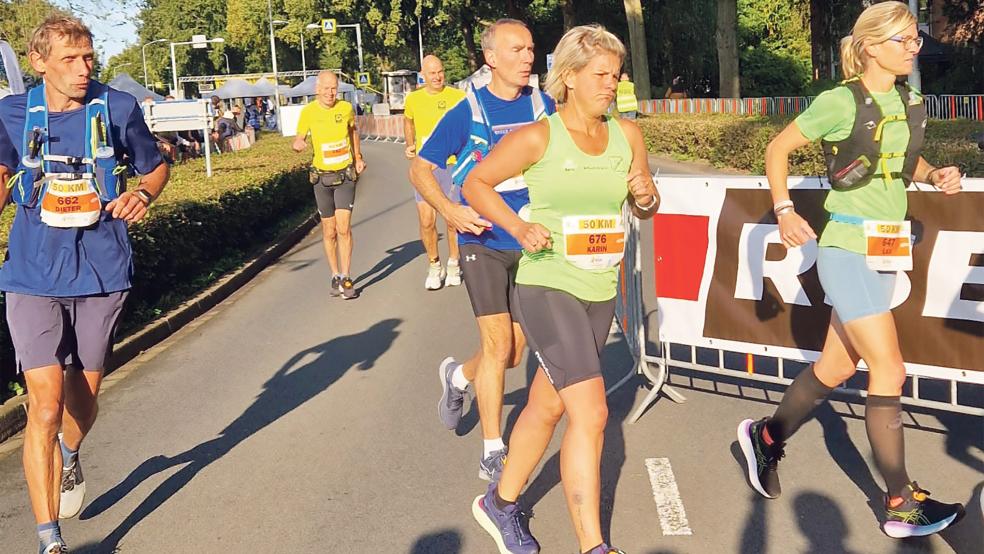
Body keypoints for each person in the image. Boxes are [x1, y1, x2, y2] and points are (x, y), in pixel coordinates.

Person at [736, 1, 965, 539]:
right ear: (870, 47)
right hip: (846, 251)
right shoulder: (839, 100)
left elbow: (906, 163)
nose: (915, 48)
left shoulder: (911, 99)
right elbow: (777, 148)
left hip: (885, 253)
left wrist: (936, 176)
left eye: (916, 39)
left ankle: (764, 437)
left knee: (837, 369)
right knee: (890, 370)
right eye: (905, 40)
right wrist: (786, 210)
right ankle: (900, 502)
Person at [463, 24, 657, 554]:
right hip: (548, 286)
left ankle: (499, 504)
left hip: (600, 291)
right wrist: (519, 227)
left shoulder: (628, 136)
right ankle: (594, 546)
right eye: (599, 75)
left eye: (615, 76)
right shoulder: (538, 136)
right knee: (591, 414)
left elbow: (645, 204)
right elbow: (475, 183)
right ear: (568, 78)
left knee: (547, 408)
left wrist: (644, 194)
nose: (610, 85)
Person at [0, 15, 169, 554]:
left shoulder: (118, 108)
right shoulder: (10, 113)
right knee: (44, 405)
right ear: (39, 62)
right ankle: (49, 538)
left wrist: (143, 195)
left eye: (89, 57)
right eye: (70, 59)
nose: (83, 68)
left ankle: (70, 455)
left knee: (83, 398)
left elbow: (156, 167)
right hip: (31, 274)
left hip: (101, 270)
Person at [408, 18, 555, 482]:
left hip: (531, 240)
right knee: (496, 347)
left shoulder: (543, 104)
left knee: (514, 352)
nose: (528, 57)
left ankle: (455, 377)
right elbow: (421, 169)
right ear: (491, 58)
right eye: (517, 49)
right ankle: (493, 450)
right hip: (482, 242)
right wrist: (449, 210)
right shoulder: (466, 110)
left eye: (531, 49)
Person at [293, 70, 366, 299]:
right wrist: (297, 144)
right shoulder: (308, 112)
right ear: (317, 89)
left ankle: (346, 276)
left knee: (344, 227)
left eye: (333, 88)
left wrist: (358, 157)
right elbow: (299, 137)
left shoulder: (345, 109)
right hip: (322, 178)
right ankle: (334, 274)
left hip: (344, 175)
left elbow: (353, 132)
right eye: (326, 88)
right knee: (329, 230)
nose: (330, 92)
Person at [403, 54, 467, 290]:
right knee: (427, 221)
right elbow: (408, 121)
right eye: (432, 73)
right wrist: (409, 144)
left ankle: (453, 263)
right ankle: (434, 264)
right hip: (425, 168)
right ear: (423, 75)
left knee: (452, 219)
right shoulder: (414, 100)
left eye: (440, 71)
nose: (438, 77)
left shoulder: (458, 97)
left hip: (451, 166)